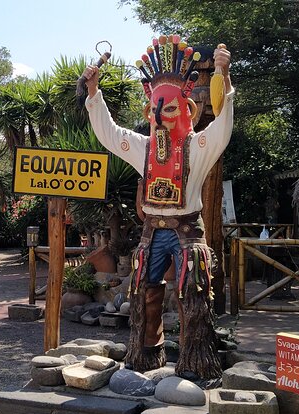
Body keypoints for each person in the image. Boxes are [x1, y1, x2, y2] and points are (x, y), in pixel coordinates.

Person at [82, 39, 233, 380]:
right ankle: (145, 358)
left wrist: (224, 76)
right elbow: (109, 133)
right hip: (152, 232)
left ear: (187, 112)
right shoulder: (142, 147)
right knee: (143, 295)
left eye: (169, 111)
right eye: (154, 110)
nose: (159, 119)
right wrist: (94, 94)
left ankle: (196, 364)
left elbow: (222, 128)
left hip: (187, 232)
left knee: (193, 298)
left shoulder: (198, 147)